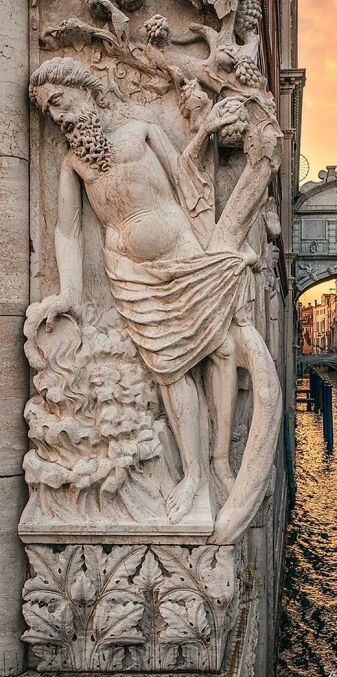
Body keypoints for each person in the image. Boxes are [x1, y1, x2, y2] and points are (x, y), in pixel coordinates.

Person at [27, 56, 282, 539]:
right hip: (129, 273)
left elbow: (187, 180)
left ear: (84, 89)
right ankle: (191, 475)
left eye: (58, 103)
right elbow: (66, 229)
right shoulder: (75, 161)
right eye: (49, 113)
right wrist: (69, 293)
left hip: (182, 254)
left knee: (222, 347)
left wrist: (205, 129)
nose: (58, 118)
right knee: (169, 368)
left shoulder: (141, 129)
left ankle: (220, 461)